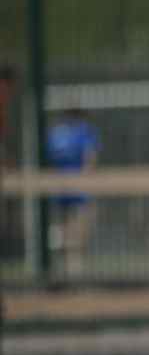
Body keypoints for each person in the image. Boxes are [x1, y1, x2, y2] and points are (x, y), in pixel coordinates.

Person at [45, 106, 100, 272]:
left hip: (59, 186)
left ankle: (61, 242)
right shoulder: (84, 131)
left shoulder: (55, 134)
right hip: (78, 187)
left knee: (69, 225)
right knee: (82, 226)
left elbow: (48, 160)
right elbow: (90, 159)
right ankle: (67, 253)